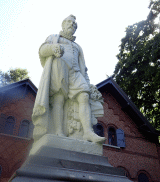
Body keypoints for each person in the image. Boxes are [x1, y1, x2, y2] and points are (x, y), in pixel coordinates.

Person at [32, 15, 105, 143]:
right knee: (59, 98)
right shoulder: (54, 37)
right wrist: (53, 48)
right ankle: (59, 131)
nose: (72, 25)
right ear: (63, 24)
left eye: (75, 25)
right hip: (59, 69)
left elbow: (84, 68)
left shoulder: (78, 47)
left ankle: (88, 132)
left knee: (84, 96)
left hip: (76, 73)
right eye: (70, 23)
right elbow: (43, 50)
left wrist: (87, 83)